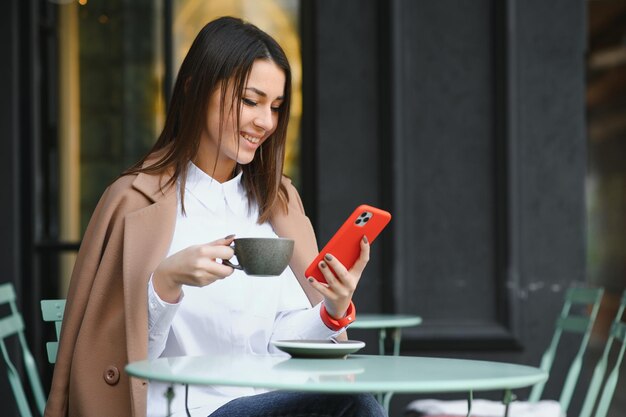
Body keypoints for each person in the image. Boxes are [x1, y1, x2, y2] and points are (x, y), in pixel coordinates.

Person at [44, 16, 385, 417]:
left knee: (355, 402)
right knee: (353, 405)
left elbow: (278, 337)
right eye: (249, 100)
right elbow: (120, 367)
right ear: (196, 88)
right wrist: (165, 282)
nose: (265, 122)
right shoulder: (135, 201)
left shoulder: (277, 203)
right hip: (180, 410)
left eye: (275, 107)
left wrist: (331, 309)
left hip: (266, 402)